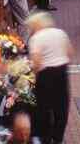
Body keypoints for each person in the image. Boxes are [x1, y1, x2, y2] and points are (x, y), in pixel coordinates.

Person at [26, 12, 72, 144]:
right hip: (62, 71)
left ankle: (45, 137)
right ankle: (58, 138)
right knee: (61, 105)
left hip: (46, 74)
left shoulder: (36, 38)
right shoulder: (60, 33)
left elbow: (36, 61)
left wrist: (33, 77)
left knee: (43, 106)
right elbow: (70, 52)